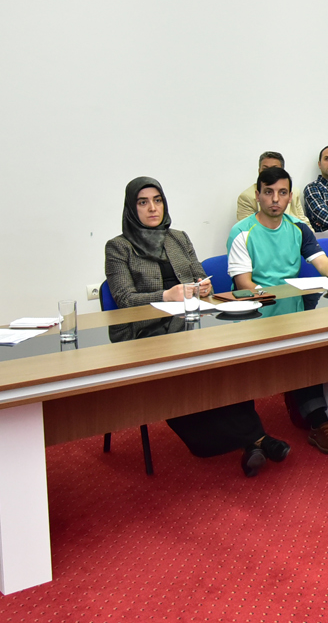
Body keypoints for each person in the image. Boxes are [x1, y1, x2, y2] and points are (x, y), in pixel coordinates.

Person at [106, 177, 287, 477]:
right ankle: (257, 439)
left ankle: (253, 442)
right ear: (131, 208)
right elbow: (124, 298)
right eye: (143, 202)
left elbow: (200, 276)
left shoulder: (178, 238)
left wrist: (203, 287)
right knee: (184, 382)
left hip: (190, 324)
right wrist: (166, 295)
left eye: (157, 200)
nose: (152, 208)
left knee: (229, 363)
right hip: (146, 334)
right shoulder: (118, 247)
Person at [227, 166, 328, 454]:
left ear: (290, 197)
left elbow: (322, 263)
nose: (275, 199)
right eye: (268, 192)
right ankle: (253, 434)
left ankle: (317, 420)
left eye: (282, 193)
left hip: (293, 312)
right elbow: (244, 283)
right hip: (256, 314)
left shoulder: (298, 227)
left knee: (311, 349)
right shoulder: (242, 231)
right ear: (257, 195)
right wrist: (269, 295)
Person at [235, 151, 308, 222]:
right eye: (265, 169)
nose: (269, 173)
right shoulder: (246, 197)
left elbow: (303, 221)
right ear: (259, 171)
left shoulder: (294, 191)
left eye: (274, 169)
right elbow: (247, 227)